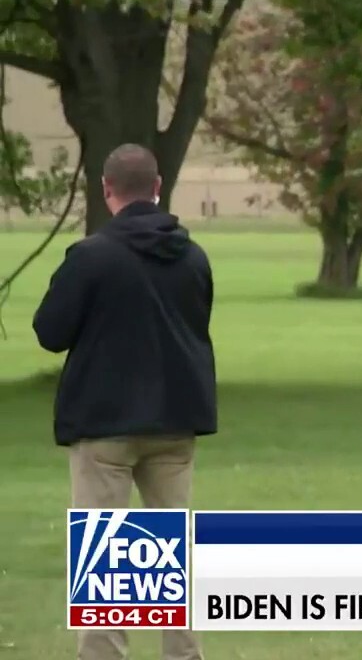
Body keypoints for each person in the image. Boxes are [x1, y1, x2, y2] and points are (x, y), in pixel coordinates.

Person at [33, 143, 215, 660]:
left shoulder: (91, 256)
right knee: (170, 550)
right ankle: (183, 653)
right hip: (176, 418)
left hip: (105, 421)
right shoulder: (193, 256)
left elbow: (51, 332)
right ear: (158, 189)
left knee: (104, 554)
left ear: (107, 190)